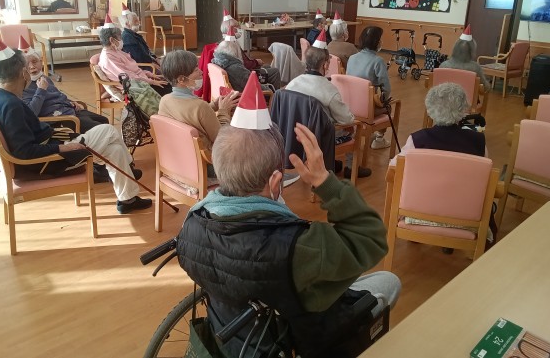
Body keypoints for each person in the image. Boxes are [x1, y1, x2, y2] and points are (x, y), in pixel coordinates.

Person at [177, 75, 401, 358]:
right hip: (295, 337)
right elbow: (372, 239)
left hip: (236, 330)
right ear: (275, 183)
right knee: (388, 281)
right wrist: (325, 182)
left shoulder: (191, 224)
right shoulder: (300, 247)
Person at [0, 35, 151, 214]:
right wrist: (63, 148)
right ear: (23, 73)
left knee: (115, 150)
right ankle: (129, 167)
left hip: (49, 150)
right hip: (47, 162)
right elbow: (24, 152)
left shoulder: (0, 100)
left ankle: (127, 200)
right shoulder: (12, 107)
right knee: (109, 130)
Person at [388, 83, 492, 249]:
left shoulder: (417, 140)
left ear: (430, 109)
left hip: (420, 213)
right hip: (465, 217)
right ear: (464, 110)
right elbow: (485, 178)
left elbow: (394, 168)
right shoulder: (478, 141)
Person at [285, 30, 372, 179]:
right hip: (320, 138)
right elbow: (346, 119)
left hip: (295, 135)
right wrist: (352, 122)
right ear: (325, 64)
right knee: (353, 127)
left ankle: (329, 163)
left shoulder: (293, 83)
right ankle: (351, 168)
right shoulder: (328, 89)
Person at [159, 50, 240, 176]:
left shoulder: (164, 101)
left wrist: (213, 106)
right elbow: (223, 141)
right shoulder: (200, 107)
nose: (201, 72)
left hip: (180, 162)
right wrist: (224, 111)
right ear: (181, 79)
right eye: (196, 70)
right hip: (206, 166)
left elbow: (189, 115)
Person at [20, 36, 109, 133]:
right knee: (103, 129)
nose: (32, 67)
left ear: (41, 62)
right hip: (59, 119)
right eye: (27, 64)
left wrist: (70, 101)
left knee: (104, 120)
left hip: (68, 110)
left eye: (34, 62)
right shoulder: (24, 86)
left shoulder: (44, 78)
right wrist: (41, 90)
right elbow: (31, 113)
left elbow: (56, 94)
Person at [97, 16, 171, 97]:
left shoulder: (116, 51)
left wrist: (149, 74)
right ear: (112, 40)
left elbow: (133, 69)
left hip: (142, 83)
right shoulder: (109, 58)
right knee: (171, 93)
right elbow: (129, 77)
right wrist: (151, 82)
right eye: (119, 37)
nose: (121, 40)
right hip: (136, 89)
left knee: (171, 86)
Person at [346, 26, 393, 150]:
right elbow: (386, 89)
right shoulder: (378, 61)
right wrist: (382, 101)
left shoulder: (352, 58)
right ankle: (379, 139)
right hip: (367, 109)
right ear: (377, 42)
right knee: (388, 107)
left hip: (349, 105)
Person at [220, 10, 281, 86]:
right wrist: (256, 62)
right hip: (246, 77)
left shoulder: (223, 44)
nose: (239, 28)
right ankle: (272, 92)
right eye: (237, 27)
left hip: (239, 74)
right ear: (231, 29)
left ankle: (270, 89)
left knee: (268, 66)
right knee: (275, 72)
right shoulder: (232, 46)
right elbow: (245, 64)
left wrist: (255, 62)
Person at [211, 31, 277, 92]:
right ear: (235, 51)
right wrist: (270, 91)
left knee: (267, 68)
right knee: (274, 76)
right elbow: (254, 86)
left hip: (231, 93)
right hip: (245, 96)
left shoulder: (217, 62)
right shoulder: (236, 68)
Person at [440, 25, 491, 92]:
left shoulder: (444, 65)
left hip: (444, 97)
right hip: (467, 98)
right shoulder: (475, 68)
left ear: (455, 48)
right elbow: (485, 87)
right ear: (471, 51)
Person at [120, 4, 160, 69]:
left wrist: (156, 58)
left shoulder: (135, 35)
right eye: (135, 21)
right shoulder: (127, 37)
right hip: (142, 67)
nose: (139, 23)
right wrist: (151, 63)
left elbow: (147, 50)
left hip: (149, 63)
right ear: (127, 24)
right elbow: (138, 58)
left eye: (138, 20)